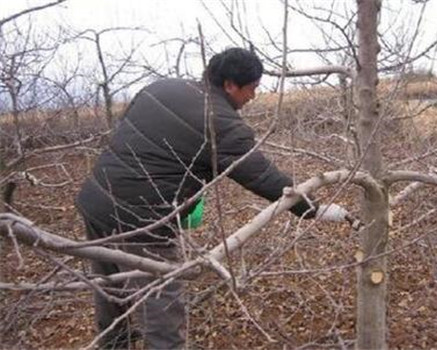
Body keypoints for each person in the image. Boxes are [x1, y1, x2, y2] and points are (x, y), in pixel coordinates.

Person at [76, 47, 348, 349]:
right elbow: (262, 177)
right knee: (162, 318)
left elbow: (137, 140)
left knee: (111, 300)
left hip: (95, 203)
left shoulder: (160, 88)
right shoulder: (222, 122)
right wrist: (314, 210)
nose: (253, 96)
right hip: (143, 222)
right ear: (231, 84)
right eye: (252, 88)